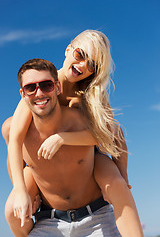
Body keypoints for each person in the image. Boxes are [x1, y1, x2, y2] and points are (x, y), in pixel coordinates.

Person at [2, 58, 143, 237]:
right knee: (11, 208)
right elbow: (13, 153)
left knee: (116, 182)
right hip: (49, 221)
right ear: (23, 93)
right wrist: (21, 190)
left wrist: (123, 176)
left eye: (46, 85)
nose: (39, 93)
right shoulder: (16, 132)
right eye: (31, 88)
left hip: (96, 218)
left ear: (58, 87)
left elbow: (115, 133)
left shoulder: (82, 120)